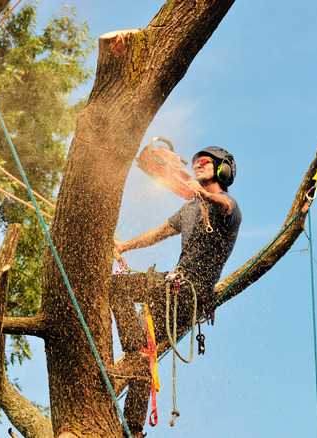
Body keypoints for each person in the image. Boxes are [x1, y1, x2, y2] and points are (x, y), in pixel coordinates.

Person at [108, 146, 242, 437]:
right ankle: (132, 429)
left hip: (190, 292)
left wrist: (204, 194)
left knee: (118, 287)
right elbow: (159, 232)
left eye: (204, 163)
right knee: (145, 355)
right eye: (194, 164)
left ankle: (133, 353)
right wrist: (124, 246)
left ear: (223, 169)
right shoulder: (189, 208)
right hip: (171, 291)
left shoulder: (227, 206)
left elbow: (224, 206)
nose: (197, 166)